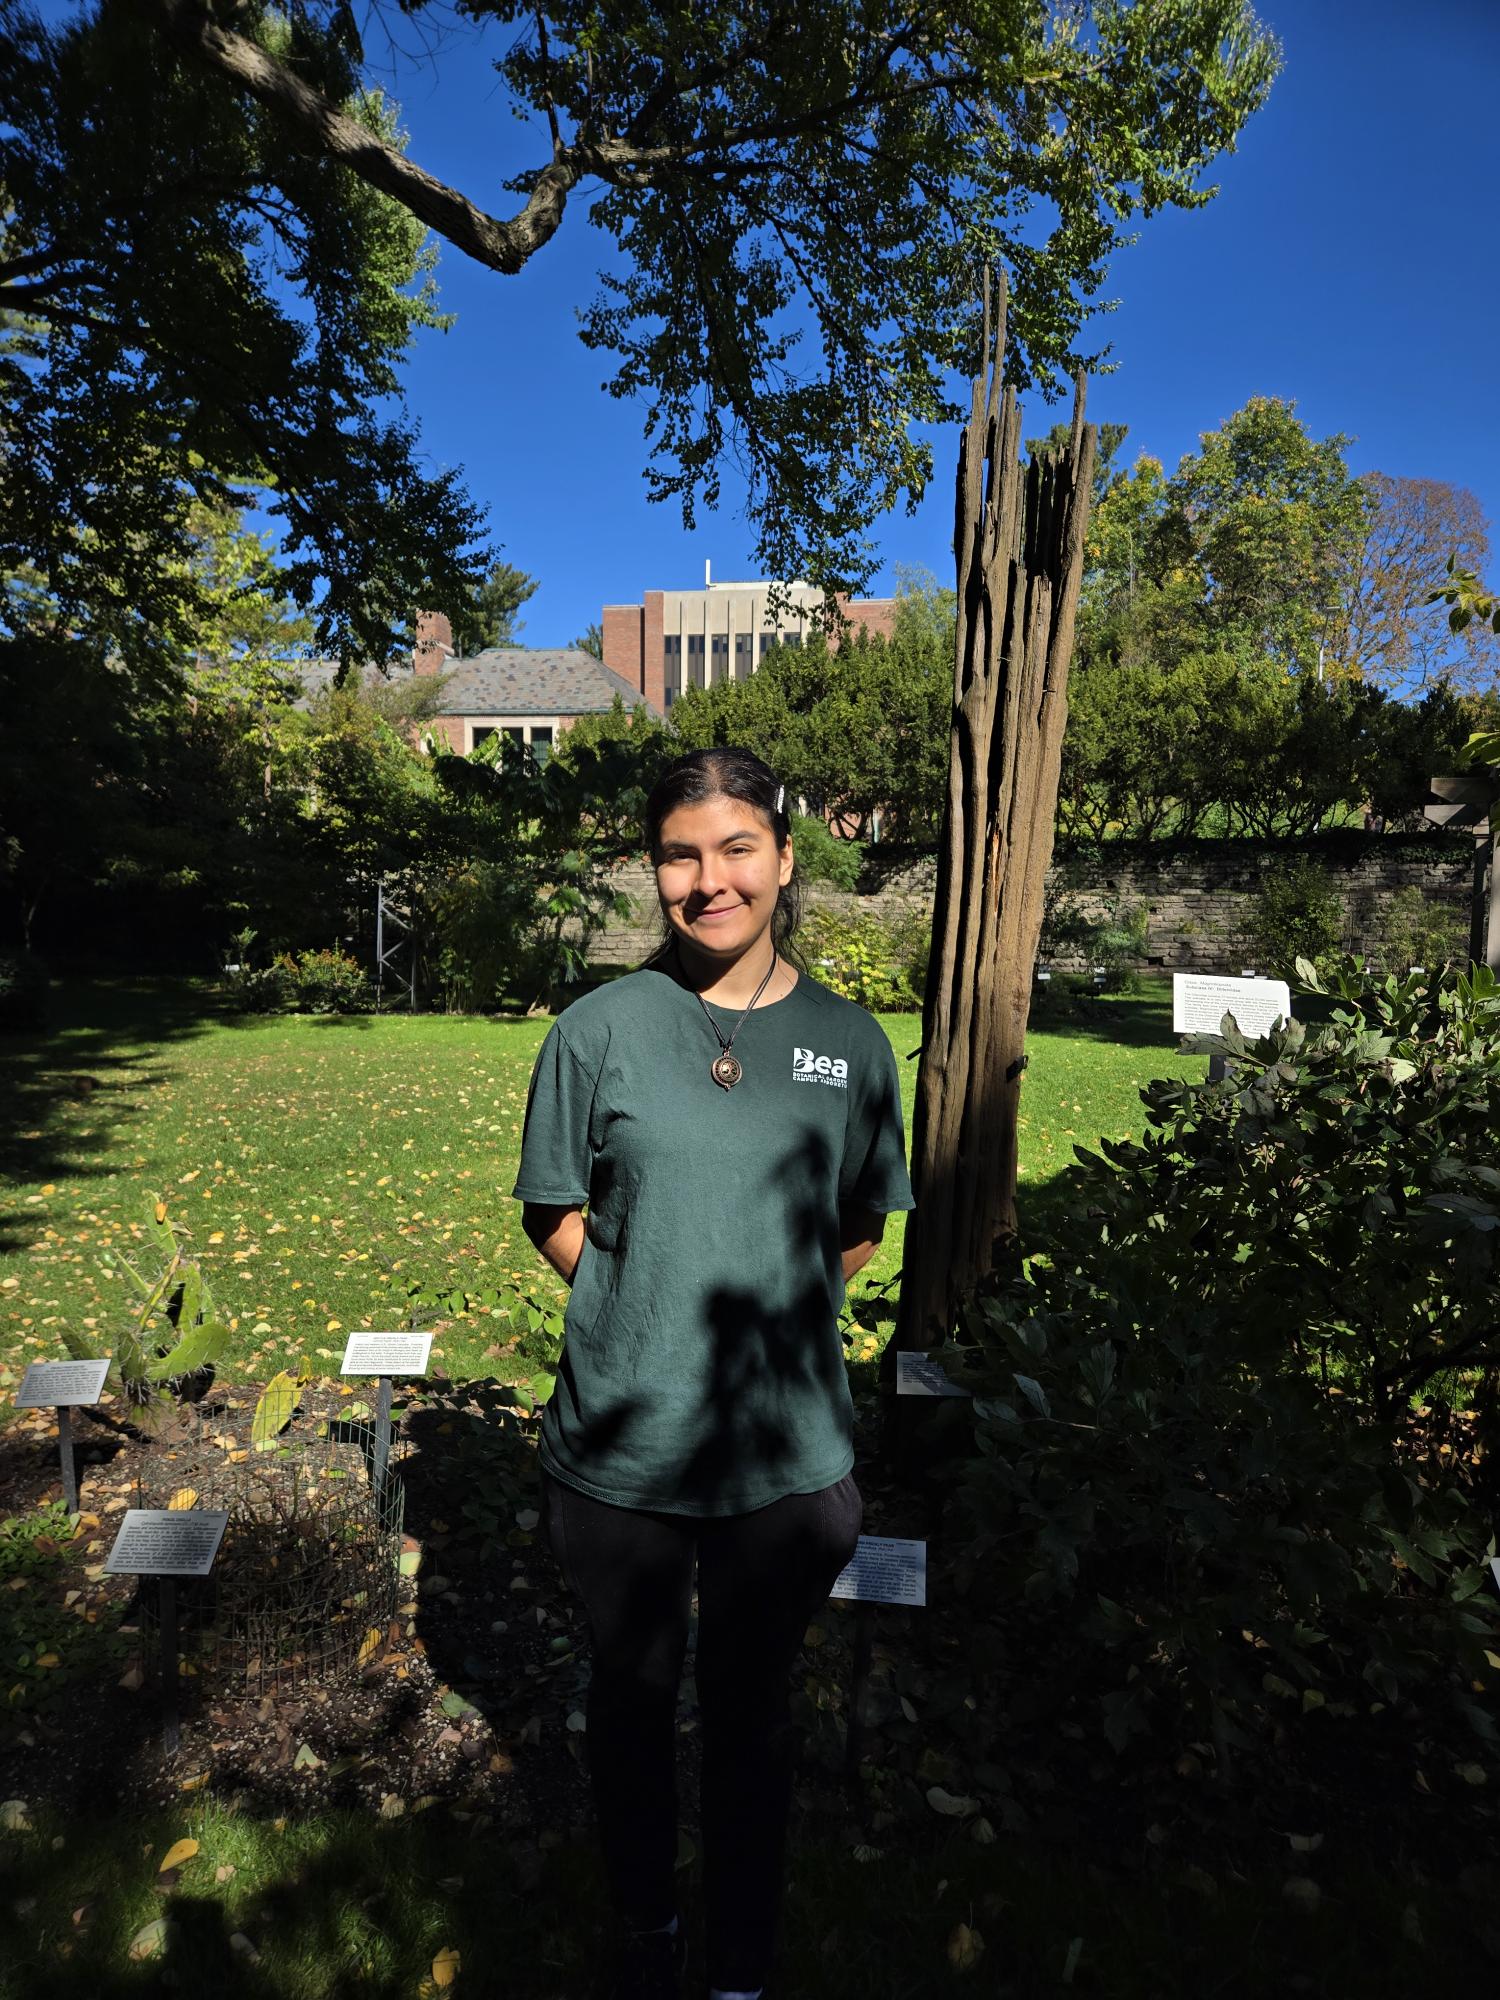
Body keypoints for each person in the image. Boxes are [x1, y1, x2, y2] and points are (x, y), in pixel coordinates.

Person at [512, 746, 915, 2000]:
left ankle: (741, 1953)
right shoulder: (599, 1028)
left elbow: (857, 1225)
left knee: (751, 1719)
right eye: (680, 854)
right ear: (656, 871)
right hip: (623, 1453)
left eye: (736, 847)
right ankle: (646, 1928)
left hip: (782, 1458)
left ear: (786, 860)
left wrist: (766, 1302)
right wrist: (645, 1301)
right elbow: (553, 1208)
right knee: (630, 1711)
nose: (708, 879)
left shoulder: (851, 1044)